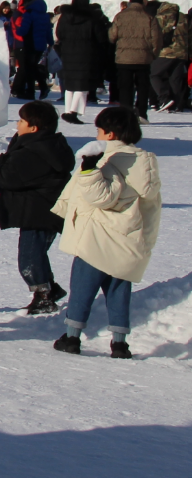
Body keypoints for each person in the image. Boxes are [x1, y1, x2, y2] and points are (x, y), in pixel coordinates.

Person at [51, 106, 162, 359]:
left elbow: (103, 197)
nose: (98, 135)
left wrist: (89, 170)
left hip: (97, 238)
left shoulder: (109, 158)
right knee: (118, 290)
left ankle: (71, 338)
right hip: (128, 239)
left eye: (99, 130)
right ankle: (120, 344)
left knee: (82, 289)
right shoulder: (146, 161)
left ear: (110, 134)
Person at [0, 100, 75, 313]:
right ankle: (48, 290)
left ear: (33, 128)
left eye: (21, 120)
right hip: (40, 211)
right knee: (35, 254)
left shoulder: (34, 151)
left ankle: (44, 294)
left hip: (40, 213)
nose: (17, 124)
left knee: (29, 258)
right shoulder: (43, 145)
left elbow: (2, 174)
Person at [53, 0, 110, 124]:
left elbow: (59, 33)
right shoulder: (91, 17)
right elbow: (100, 36)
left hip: (67, 52)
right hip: (86, 53)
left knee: (70, 84)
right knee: (82, 84)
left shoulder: (64, 16)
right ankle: (73, 112)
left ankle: (68, 110)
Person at [108, 0, 162, 122]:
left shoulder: (120, 16)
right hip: (143, 59)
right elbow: (157, 39)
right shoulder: (149, 18)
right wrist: (153, 55)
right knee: (143, 87)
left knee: (125, 87)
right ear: (143, 0)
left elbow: (112, 36)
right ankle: (142, 114)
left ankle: (126, 114)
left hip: (123, 58)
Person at [149, 1, 188, 113]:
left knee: (153, 74)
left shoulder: (161, 16)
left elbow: (157, 33)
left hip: (166, 52)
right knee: (175, 79)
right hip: (182, 53)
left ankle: (164, 99)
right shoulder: (183, 17)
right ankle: (177, 104)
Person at [17, 0, 53, 100]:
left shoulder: (29, 14)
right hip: (40, 45)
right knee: (33, 67)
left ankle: (32, 91)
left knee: (29, 68)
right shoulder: (45, 16)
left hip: (30, 44)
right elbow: (48, 31)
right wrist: (50, 42)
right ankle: (42, 87)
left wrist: (15, 30)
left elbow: (24, 30)